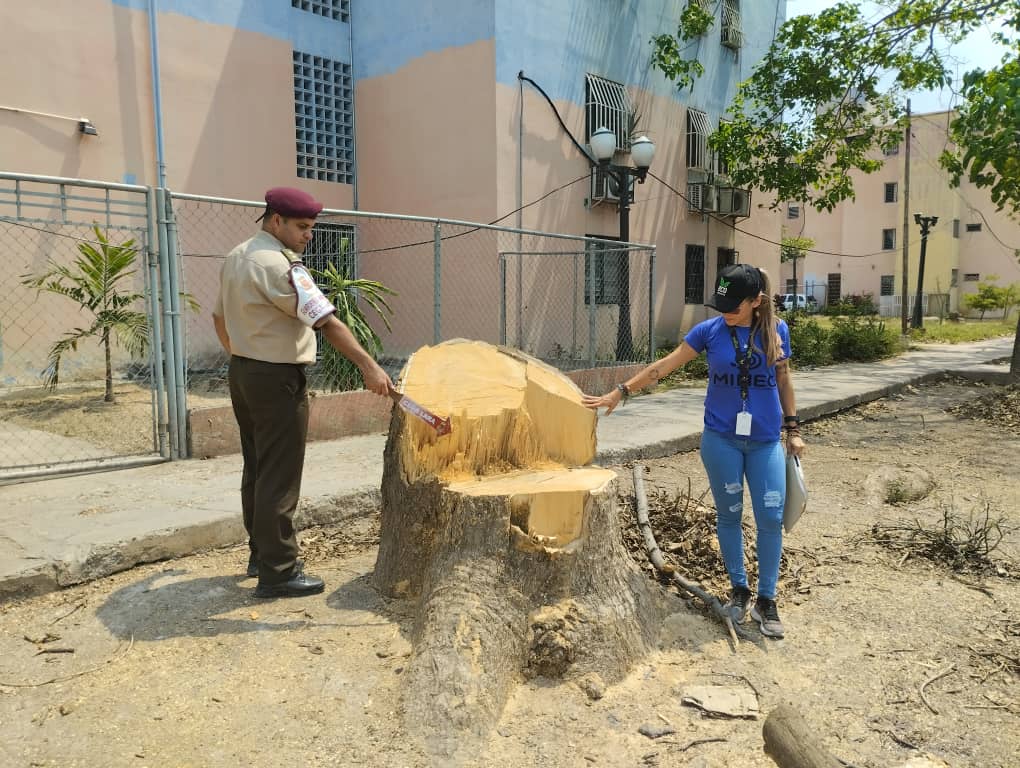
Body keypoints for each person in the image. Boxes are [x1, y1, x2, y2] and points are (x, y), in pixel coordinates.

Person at [583, 263, 805, 638]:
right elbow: (664, 366)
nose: (726, 312)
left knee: (770, 515)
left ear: (756, 302)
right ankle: (739, 589)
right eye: (721, 305)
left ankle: (767, 598)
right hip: (721, 440)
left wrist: (793, 428)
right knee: (729, 514)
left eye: (734, 306)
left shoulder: (776, 330)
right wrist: (621, 391)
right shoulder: (709, 332)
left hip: (766, 439)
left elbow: (783, 379)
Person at [213, 187, 392, 598]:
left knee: (257, 467)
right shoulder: (281, 267)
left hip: (244, 371)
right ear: (275, 220)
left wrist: (243, 356)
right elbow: (326, 322)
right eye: (302, 227)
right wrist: (370, 366)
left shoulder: (237, 256)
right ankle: (278, 572)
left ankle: (262, 554)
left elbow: (218, 318)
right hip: (276, 378)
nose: (309, 235)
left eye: (311, 227)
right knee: (280, 474)